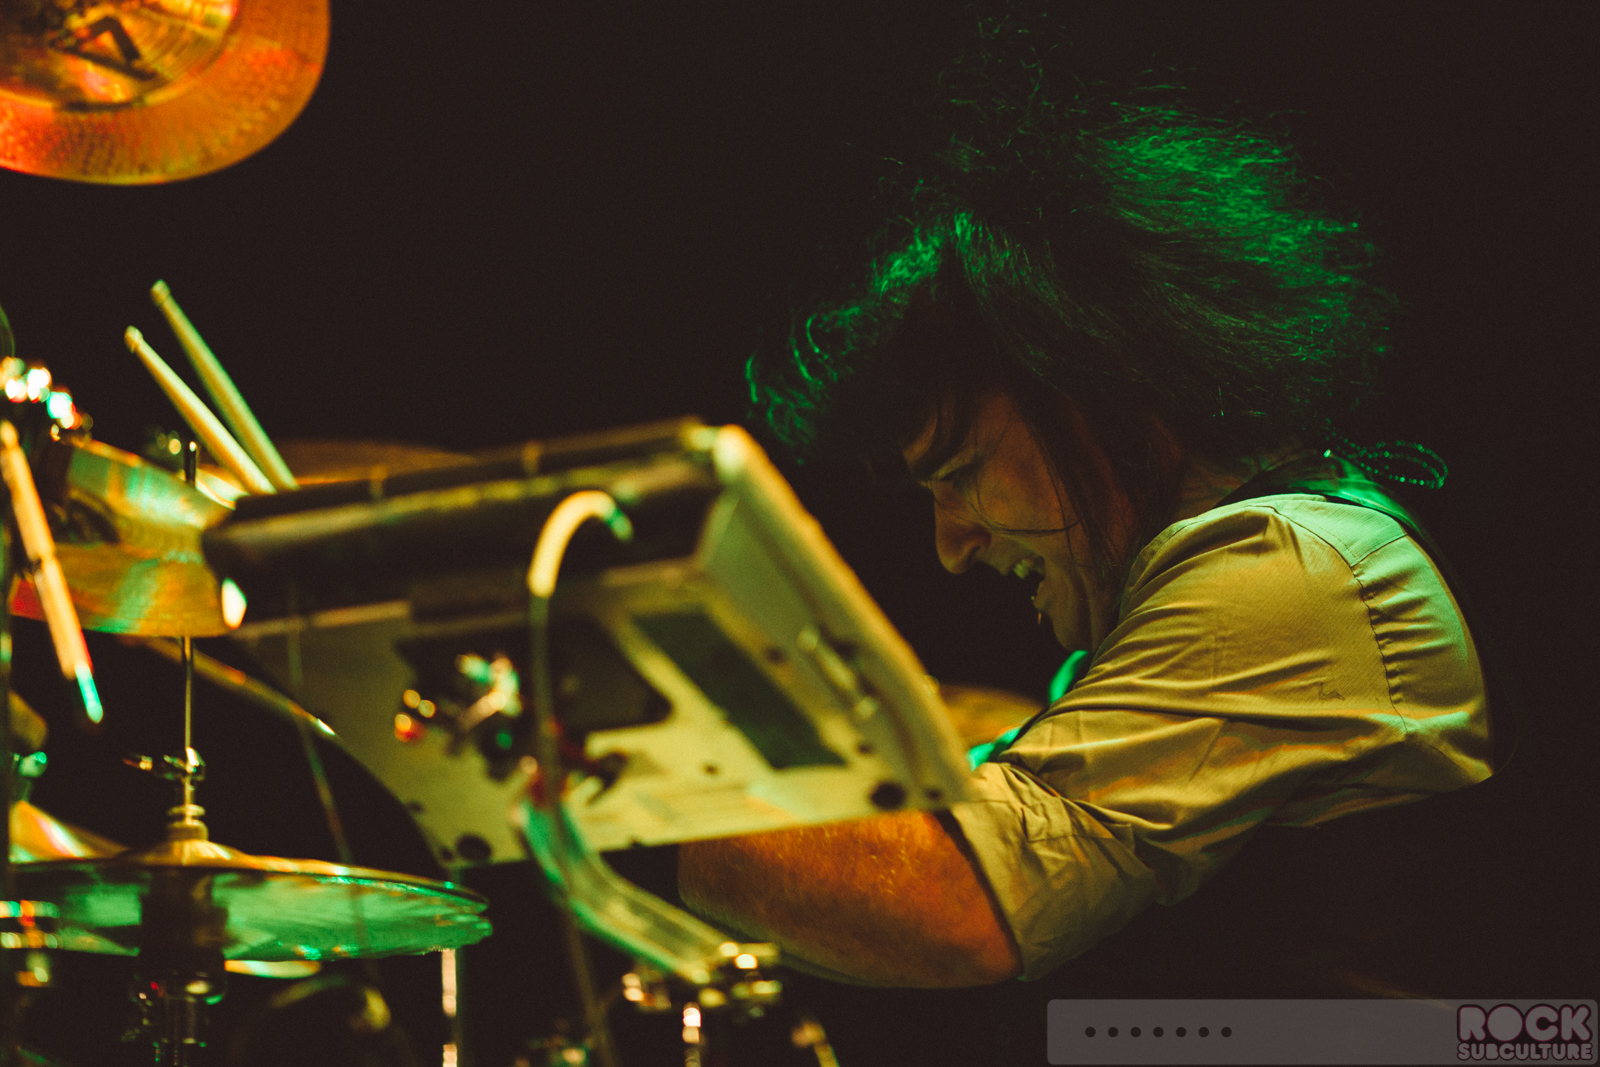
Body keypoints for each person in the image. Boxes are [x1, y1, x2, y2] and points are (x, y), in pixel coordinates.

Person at [675, 36, 1499, 1037]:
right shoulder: (1275, 555)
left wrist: (607, 814)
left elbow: (958, 901)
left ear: (1095, 386)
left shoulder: (1284, 566)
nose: (950, 545)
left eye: (960, 473)